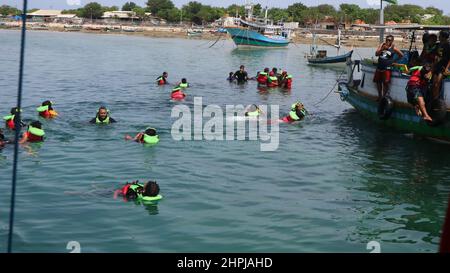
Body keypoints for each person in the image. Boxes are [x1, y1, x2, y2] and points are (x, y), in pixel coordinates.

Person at [373, 35, 404, 100]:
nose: (387, 41)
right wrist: (382, 49)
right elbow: (376, 54)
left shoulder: (393, 48)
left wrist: (394, 61)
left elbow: (401, 55)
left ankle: (384, 96)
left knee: (386, 82)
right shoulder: (382, 45)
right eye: (387, 39)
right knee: (378, 82)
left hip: (387, 67)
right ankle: (380, 96)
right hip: (379, 66)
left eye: (389, 40)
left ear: (392, 41)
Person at [431, 30, 450, 100]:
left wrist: (447, 68)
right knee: (434, 84)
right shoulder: (438, 45)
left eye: (440, 36)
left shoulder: (448, 45)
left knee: (437, 84)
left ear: (443, 37)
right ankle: (434, 98)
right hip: (437, 66)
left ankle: (436, 98)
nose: (439, 37)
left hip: (443, 67)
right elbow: (435, 56)